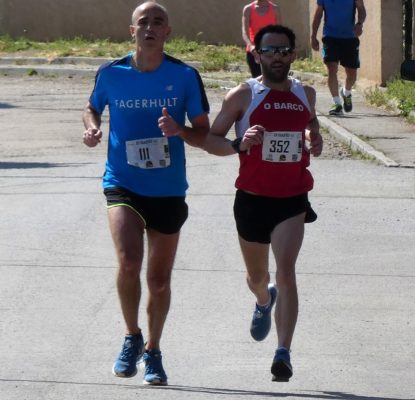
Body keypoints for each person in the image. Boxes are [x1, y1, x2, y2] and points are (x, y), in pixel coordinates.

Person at [82, 1, 209, 386]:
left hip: (167, 189)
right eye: (143, 22)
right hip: (122, 182)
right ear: (132, 30)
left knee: (159, 280)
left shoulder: (184, 76)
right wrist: (92, 127)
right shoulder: (111, 72)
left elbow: (203, 132)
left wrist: (179, 131)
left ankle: (153, 350)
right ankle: (131, 336)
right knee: (129, 261)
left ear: (168, 32)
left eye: (158, 22)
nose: (150, 27)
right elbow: (91, 107)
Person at [202, 24, 323, 382]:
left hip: (292, 199)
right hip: (252, 200)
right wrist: (239, 144)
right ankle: (262, 300)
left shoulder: (305, 93)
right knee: (258, 277)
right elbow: (211, 140)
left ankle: (283, 352)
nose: (277, 57)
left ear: (293, 54)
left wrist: (312, 136)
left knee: (286, 271)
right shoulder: (243, 95)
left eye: (284, 50)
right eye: (269, 51)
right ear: (257, 54)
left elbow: (310, 123)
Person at [311, 0, 367, 115]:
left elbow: (361, 9)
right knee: (332, 69)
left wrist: (359, 23)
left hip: (350, 37)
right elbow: (318, 14)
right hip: (330, 37)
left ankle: (346, 92)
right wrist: (313, 36)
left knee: (352, 74)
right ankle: (336, 104)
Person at [242, 0, 282, 78]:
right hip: (254, 52)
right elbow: (245, 32)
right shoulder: (248, 9)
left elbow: (280, 32)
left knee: (272, 79)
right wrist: (251, 46)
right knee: (257, 80)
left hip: (271, 52)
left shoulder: (275, 9)